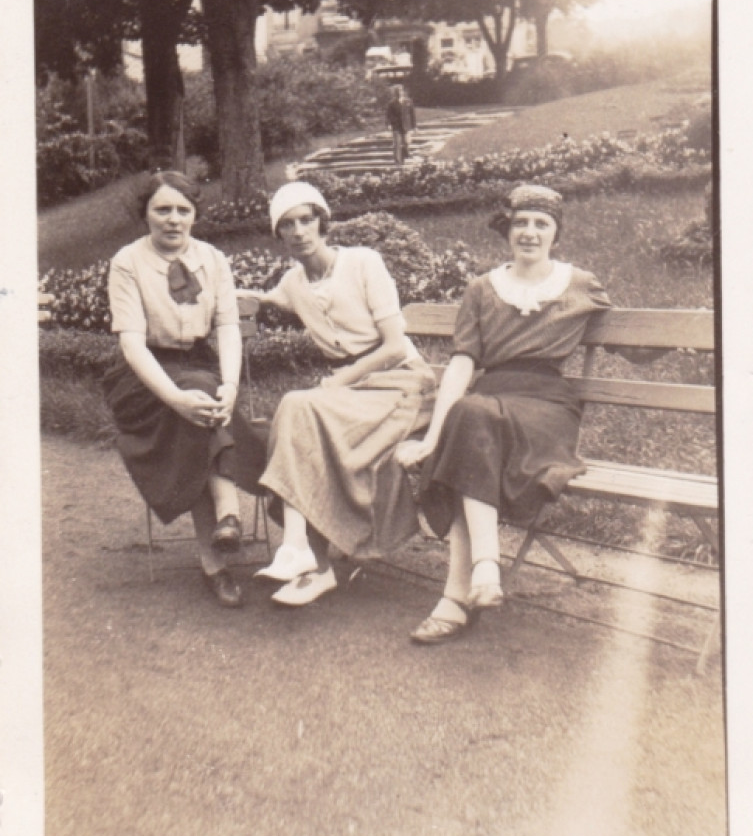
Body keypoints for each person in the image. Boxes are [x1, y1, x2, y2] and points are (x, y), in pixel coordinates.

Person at [395, 184, 612, 644]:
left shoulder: (579, 283)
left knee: (471, 424)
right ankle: (481, 576)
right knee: (468, 420)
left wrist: (687, 339)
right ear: (507, 230)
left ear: (556, 233)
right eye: (521, 223)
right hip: (489, 402)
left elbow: (630, 337)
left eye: (541, 224)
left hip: (547, 407)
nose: (529, 233)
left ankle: (465, 587)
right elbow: (461, 363)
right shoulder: (481, 289)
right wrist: (432, 437)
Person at [248, 182, 436, 606]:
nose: (299, 231)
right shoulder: (293, 283)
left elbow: (392, 345)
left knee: (301, 408)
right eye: (288, 225)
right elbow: (263, 298)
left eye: (307, 219)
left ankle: (304, 555)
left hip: (402, 384)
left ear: (323, 222)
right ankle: (307, 559)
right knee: (299, 411)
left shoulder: (363, 263)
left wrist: (339, 380)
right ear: (278, 235)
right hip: (352, 395)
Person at [103, 171, 266, 608]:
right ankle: (228, 514)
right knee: (193, 402)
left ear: (195, 214)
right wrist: (174, 398)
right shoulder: (127, 262)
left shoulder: (213, 259)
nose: (173, 220)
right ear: (146, 215)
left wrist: (231, 386)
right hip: (142, 379)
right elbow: (132, 343)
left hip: (200, 366)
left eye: (183, 210)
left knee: (203, 398)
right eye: (162, 209)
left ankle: (217, 560)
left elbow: (228, 326)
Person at [385, 84, 416, 165]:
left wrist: (414, 126)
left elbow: (412, 114)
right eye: (397, 92)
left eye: (400, 91)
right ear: (395, 93)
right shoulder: (391, 103)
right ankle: (398, 162)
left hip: (407, 126)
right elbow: (388, 115)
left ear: (403, 92)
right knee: (397, 144)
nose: (399, 93)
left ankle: (405, 155)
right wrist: (389, 124)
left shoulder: (408, 102)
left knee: (406, 142)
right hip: (397, 126)